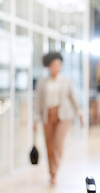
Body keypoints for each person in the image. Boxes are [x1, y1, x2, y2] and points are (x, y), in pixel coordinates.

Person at [34, 52, 84, 185]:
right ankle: (51, 171)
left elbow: (72, 98)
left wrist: (79, 113)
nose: (57, 67)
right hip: (47, 115)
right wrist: (35, 119)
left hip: (64, 116)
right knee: (49, 145)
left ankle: (55, 172)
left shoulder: (66, 80)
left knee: (58, 144)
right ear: (49, 66)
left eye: (59, 65)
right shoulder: (42, 82)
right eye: (55, 65)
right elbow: (38, 102)